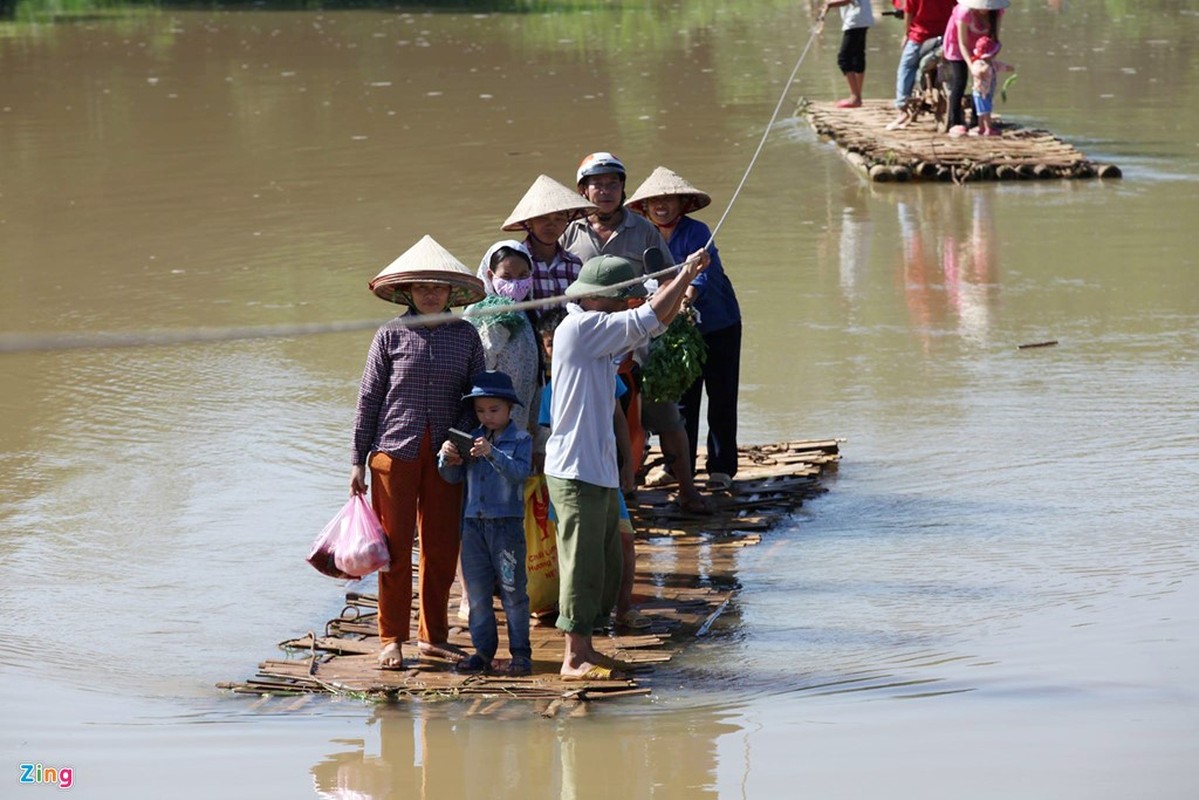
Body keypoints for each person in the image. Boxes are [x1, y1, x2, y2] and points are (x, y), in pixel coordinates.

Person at [545, 250, 708, 679]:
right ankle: (573, 655)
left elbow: (658, 320)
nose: (629, 305)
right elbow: (646, 318)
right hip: (574, 468)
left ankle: (587, 645)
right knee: (581, 564)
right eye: (624, 299)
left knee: (605, 561)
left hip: (595, 466)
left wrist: (679, 286)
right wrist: (686, 273)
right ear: (604, 298)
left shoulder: (601, 330)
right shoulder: (581, 327)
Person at [351, 235, 486, 670]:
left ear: (452, 293)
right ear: (407, 292)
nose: (431, 294)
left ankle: (434, 636)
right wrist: (357, 460)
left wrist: (461, 440)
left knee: (442, 546)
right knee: (391, 548)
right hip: (394, 451)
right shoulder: (389, 335)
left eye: (439, 288)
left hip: (447, 455)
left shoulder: (466, 335)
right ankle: (391, 637)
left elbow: (476, 398)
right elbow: (369, 398)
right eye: (423, 287)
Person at [562, 152, 711, 514]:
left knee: (667, 416)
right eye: (597, 184)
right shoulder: (568, 232)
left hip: (639, 335)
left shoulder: (642, 229)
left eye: (613, 184)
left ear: (623, 188)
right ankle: (619, 493)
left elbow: (664, 280)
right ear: (583, 190)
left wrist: (678, 290)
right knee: (601, 420)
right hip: (593, 341)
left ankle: (688, 490)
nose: (606, 191)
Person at [626, 167, 742, 492]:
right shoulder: (644, 236)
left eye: (669, 200)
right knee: (679, 399)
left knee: (721, 396)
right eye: (655, 201)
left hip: (718, 324)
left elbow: (701, 276)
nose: (661, 206)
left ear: (681, 203)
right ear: (645, 208)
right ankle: (679, 467)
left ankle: (721, 468)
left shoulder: (697, 231)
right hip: (669, 328)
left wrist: (683, 300)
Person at [536, 308, 651, 631]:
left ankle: (621, 608)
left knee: (619, 544)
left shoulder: (604, 366)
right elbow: (549, 436)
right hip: (574, 473)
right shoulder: (553, 387)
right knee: (578, 556)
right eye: (547, 344)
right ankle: (575, 628)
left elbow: (618, 419)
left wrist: (628, 464)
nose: (551, 350)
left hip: (604, 472)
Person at [437, 371, 534, 677]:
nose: (487, 416)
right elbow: (452, 478)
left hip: (506, 526)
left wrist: (492, 454)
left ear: (509, 409)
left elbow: (519, 473)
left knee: (513, 592)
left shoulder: (521, 439)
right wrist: (446, 458)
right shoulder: (469, 439)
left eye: (494, 410)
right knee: (477, 594)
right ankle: (483, 652)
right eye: (480, 410)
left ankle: (520, 654)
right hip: (473, 526)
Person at [498, 174, 598, 310]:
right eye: (542, 218)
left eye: (559, 218)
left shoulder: (574, 264)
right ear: (529, 222)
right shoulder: (511, 263)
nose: (551, 225)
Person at [886, 0, 957, 130]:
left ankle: (902, 107)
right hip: (945, 35)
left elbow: (909, 12)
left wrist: (906, 34)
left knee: (906, 67)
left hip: (920, 36)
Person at [943, 0, 1007, 137]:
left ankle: (976, 122)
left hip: (982, 47)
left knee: (982, 84)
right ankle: (955, 122)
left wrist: (988, 60)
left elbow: (994, 38)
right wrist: (971, 65)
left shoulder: (997, 12)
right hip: (958, 46)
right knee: (960, 81)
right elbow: (962, 43)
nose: (984, 9)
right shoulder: (964, 12)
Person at [821, 0, 875, 109]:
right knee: (857, 55)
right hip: (863, 18)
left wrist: (829, 4)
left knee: (843, 59)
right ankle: (857, 95)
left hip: (855, 20)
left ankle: (855, 97)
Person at [968, 35, 1013, 137]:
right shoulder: (978, 63)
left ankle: (982, 128)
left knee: (985, 110)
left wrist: (1009, 68)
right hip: (980, 92)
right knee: (984, 111)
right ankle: (986, 128)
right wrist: (982, 70)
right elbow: (975, 71)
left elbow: (1001, 66)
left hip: (988, 92)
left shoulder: (993, 64)